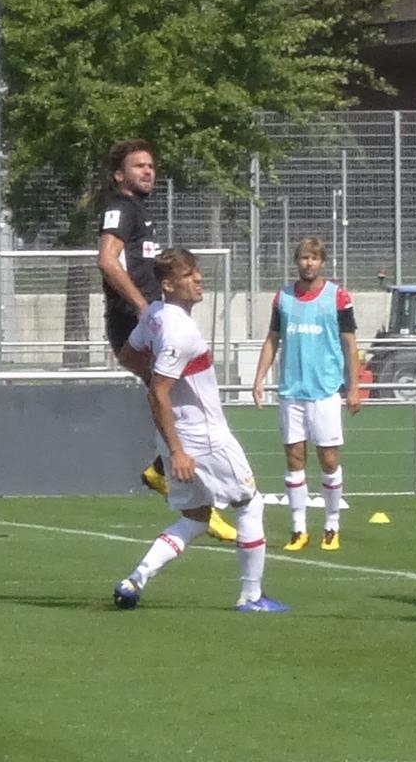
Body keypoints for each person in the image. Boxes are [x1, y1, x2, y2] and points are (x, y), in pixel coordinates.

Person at [112, 248, 286, 612]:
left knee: (196, 517)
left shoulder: (155, 315)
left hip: (176, 435)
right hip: (203, 438)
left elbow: (128, 356)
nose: (198, 279)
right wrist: (178, 451)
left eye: (197, 272)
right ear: (168, 285)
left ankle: (134, 580)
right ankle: (251, 596)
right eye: (188, 275)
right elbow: (158, 392)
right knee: (249, 504)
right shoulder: (180, 331)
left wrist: (172, 440)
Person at [96, 139, 237, 544]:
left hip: (150, 321)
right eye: (138, 165)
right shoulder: (121, 209)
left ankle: (171, 478)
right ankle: (187, 489)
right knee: (172, 399)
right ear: (119, 175)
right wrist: (143, 307)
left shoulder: (140, 211)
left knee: (179, 397)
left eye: (151, 165)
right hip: (133, 323)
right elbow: (106, 260)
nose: (148, 171)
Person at [252, 237, 360, 551]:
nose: (308, 263)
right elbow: (272, 339)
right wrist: (259, 378)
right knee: (294, 458)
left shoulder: (337, 297)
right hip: (291, 391)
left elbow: (350, 344)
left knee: (328, 459)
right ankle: (298, 528)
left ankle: (331, 525)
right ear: (296, 261)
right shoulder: (283, 297)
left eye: (313, 258)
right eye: (303, 257)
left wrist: (353, 388)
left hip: (325, 391)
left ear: (322, 262)